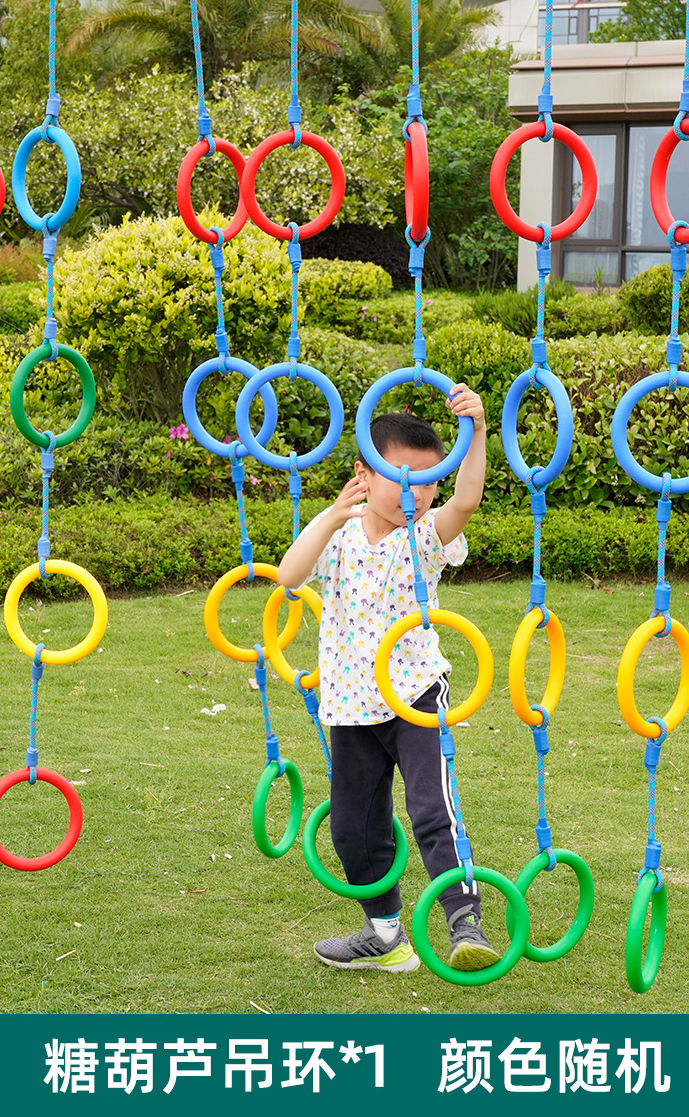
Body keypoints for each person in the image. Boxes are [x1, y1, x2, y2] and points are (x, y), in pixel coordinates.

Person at [277, 383, 493, 974]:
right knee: (353, 826)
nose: (416, 491)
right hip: (350, 703)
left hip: (416, 693)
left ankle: (464, 922)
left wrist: (476, 432)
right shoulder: (338, 537)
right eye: (402, 477)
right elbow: (289, 576)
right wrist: (330, 514)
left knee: (431, 809)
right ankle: (385, 936)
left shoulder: (424, 537)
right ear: (364, 474)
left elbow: (466, 501)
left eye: (429, 480)